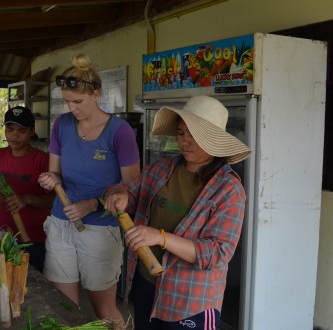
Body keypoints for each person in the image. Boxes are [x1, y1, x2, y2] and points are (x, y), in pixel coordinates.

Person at [103, 95, 252, 330]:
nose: (185, 141)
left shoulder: (229, 189)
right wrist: (119, 193)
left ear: (214, 141)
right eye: (182, 133)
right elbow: (129, 193)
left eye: (194, 135)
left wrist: (160, 237)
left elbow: (216, 252)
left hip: (190, 299)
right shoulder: (162, 169)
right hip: (145, 284)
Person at [38, 53, 141, 325]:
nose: (72, 108)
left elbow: (132, 188)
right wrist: (50, 180)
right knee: (66, 310)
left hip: (100, 227)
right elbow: (56, 172)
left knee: (104, 312)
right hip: (62, 222)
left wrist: (93, 204)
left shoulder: (120, 132)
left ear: (96, 94)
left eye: (78, 101)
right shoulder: (62, 124)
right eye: (67, 101)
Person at [0, 106, 55, 273]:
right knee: (3, 281)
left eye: (21, 131)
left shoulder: (42, 160)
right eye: (10, 130)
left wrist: (27, 199)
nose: (14, 135)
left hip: (34, 238)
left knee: (31, 284)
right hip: (2, 236)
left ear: (32, 131)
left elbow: (54, 199)